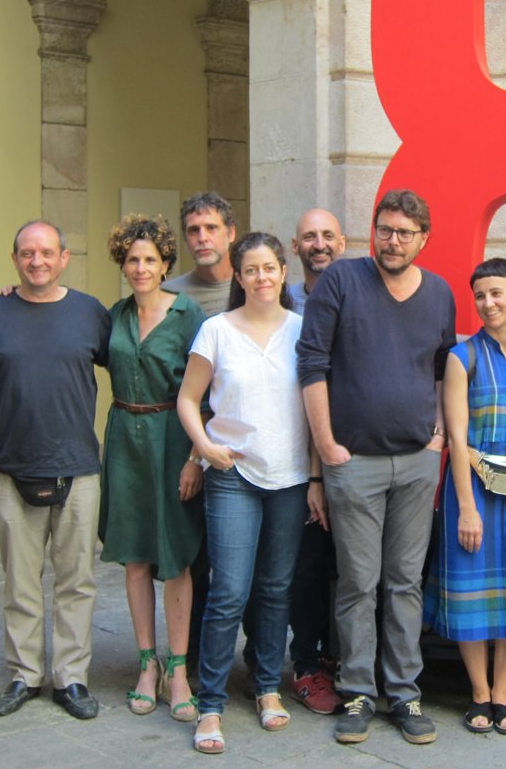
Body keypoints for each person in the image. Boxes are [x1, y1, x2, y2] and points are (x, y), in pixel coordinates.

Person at [296, 188, 455, 746]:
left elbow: (443, 368)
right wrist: (326, 445)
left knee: (406, 583)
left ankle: (405, 694)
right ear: (373, 231)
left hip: (416, 462)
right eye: (385, 230)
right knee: (358, 584)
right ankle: (358, 692)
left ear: (423, 238)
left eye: (404, 233)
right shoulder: (342, 280)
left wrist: (439, 436)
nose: (392, 241)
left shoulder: (439, 293)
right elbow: (311, 364)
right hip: (354, 461)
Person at [0, 220, 109, 720]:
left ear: (64, 258)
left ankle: (71, 678)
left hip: (78, 469)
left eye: (47, 252)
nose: (37, 261)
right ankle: (24, 674)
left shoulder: (91, 313)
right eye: (27, 253)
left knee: (76, 581)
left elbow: (129, 367)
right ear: (15, 259)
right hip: (10, 470)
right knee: (20, 582)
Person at [177, 232, 326, 755]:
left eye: (269, 268)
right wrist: (203, 448)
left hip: (289, 478)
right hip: (233, 475)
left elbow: (315, 414)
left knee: (275, 588)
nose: (261, 277)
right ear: (239, 277)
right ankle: (210, 704)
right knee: (228, 592)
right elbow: (189, 399)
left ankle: (266, 687)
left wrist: (314, 479)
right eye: (251, 270)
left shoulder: (304, 331)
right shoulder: (216, 331)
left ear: (283, 272)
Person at [423, 258, 506, 735]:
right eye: (480, 295)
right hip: (471, 487)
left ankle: (504, 693)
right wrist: (467, 509)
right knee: (470, 589)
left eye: (497, 293)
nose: (488, 303)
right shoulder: (463, 357)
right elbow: (457, 439)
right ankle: (479, 692)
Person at [242, 207, 348, 716]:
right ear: (295, 247)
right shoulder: (278, 303)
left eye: (328, 235)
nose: (319, 244)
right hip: (294, 462)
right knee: (294, 569)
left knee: (338, 568)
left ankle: (329, 658)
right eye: (310, 236)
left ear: (342, 243)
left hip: (349, 453)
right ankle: (287, 662)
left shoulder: (358, 291)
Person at [99, 215, 205, 720]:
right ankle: (148, 663)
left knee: (176, 558)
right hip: (125, 441)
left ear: (165, 264)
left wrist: (195, 457)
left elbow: (208, 390)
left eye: (150, 259)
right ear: (122, 265)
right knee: (136, 557)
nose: (140, 268)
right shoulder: (113, 316)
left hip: (174, 439)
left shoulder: (188, 314)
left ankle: (178, 670)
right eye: (132, 259)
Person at [162, 191, 238, 672]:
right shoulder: (170, 294)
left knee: (241, 563)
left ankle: (252, 666)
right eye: (193, 230)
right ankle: (188, 662)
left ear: (231, 233)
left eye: (211, 228)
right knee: (193, 557)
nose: (202, 238)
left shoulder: (252, 284)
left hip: (241, 448)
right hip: (187, 443)